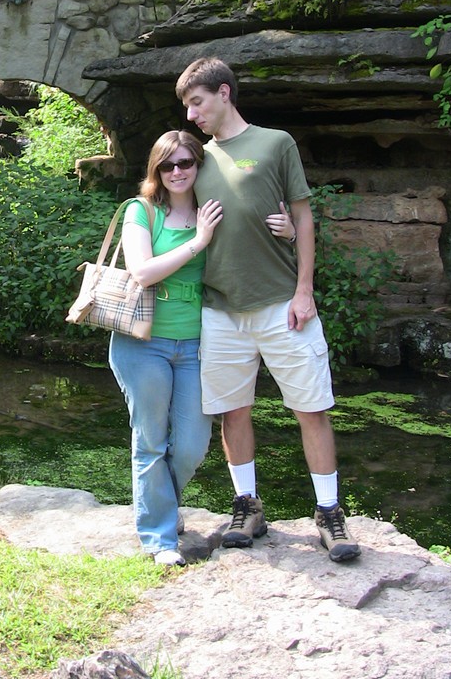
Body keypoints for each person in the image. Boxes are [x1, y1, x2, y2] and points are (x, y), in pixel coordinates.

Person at [175, 57, 361, 563]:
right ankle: (247, 506)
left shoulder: (276, 143)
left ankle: (329, 513)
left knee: (311, 409)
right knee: (232, 411)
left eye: (197, 103)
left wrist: (304, 290)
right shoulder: (195, 159)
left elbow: (304, 216)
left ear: (224, 93)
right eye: (187, 107)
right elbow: (168, 208)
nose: (192, 115)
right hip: (219, 310)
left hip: (283, 304)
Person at [109, 130, 223, 567]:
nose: (177, 171)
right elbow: (142, 272)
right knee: (151, 441)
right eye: (167, 164)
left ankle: (162, 506)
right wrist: (198, 242)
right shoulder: (142, 211)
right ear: (156, 169)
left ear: (199, 166)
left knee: (192, 445)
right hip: (144, 343)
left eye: (186, 163)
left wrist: (287, 233)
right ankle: (159, 538)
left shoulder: (211, 210)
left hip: (196, 343)